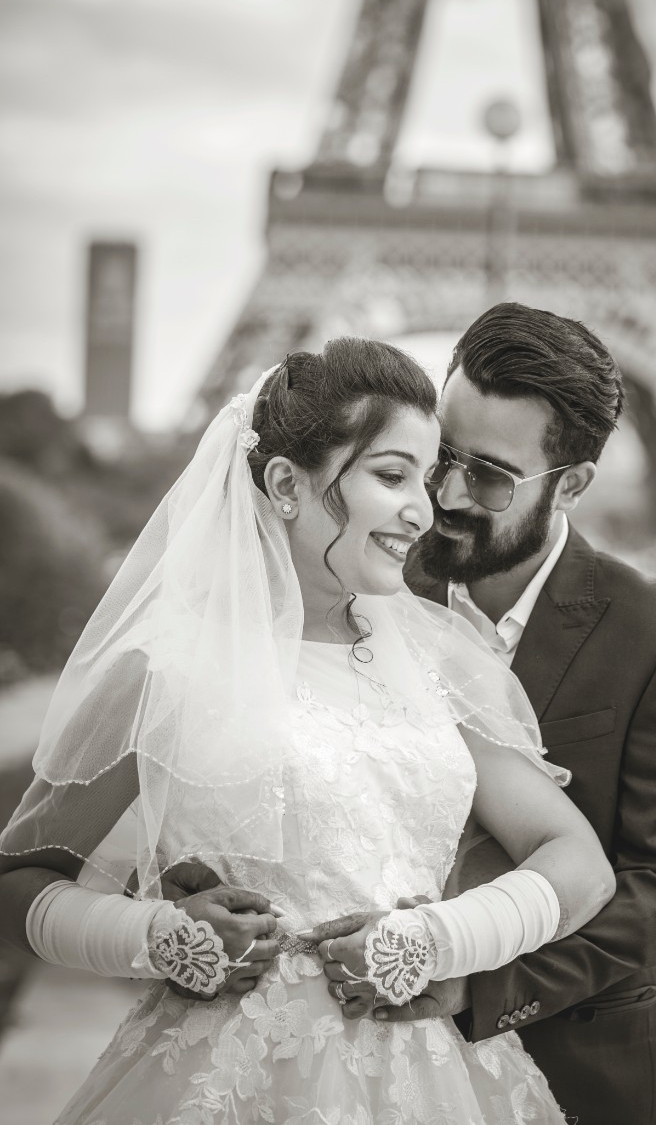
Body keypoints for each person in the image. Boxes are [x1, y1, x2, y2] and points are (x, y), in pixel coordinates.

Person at [0, 340, 615, 1125]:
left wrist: (437, 940)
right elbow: (16, 882)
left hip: (435, 1080)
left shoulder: (435, 658)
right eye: (391, 475)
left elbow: (580, 864)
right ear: (288, 484)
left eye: (425, 479)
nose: (424, 510)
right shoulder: (164, 666)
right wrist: (161, 936)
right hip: (225, 1078)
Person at [324, 305, 656, 1125]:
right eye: (442, 455)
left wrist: (483, 984)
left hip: (572, 1061)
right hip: (358, 1059)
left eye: (490, 477)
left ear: (572, 484)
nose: (446, 493)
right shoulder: (362, 586)